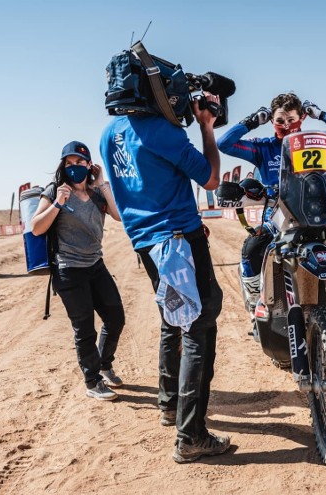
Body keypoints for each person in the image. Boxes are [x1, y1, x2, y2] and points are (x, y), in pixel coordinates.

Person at [100, 80, 230, 464]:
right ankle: (191, 435)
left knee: (173, 320)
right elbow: (209, 178)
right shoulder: (162, 131)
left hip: (147, 242)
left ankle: (169, 404)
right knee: (198, 327)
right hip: (178, 240)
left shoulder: (110, 133)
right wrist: (206, 127)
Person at [218, 93, 326, 322]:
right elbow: (224, 143)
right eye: (279, 121)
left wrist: (322, 114)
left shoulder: (319, 142)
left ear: (302, 118)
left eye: (291, 119)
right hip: (277, 216)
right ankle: (256, 298)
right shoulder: (263, 148)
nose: (286, 125)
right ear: (271, 121)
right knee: (252, 247)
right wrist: (253, 120)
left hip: (315, 214)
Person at [31, 141, 126, 402]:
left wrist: (103, 183)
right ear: (63, 166)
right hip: (69, 270)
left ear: (89, 165)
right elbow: (37, 228)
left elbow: (119, 215)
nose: (74, 168)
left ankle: (105, 364)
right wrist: (58, 203)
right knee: (84, 329)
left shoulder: (97, 194)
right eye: (68, 164)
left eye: (79, 163)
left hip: (95, 265)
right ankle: (93, 381)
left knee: (116, 317)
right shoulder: (54, 192)